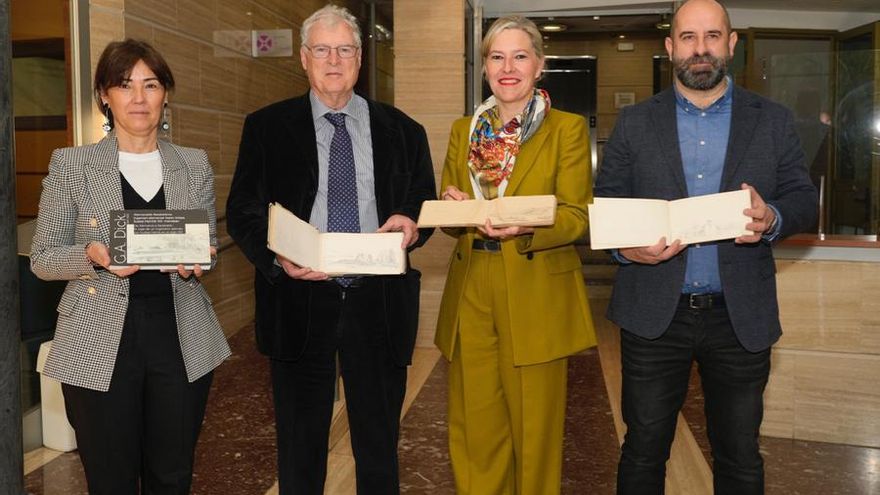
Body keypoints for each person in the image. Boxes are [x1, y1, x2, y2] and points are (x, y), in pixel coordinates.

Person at [593, 1, 818, 493]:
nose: (701, 49)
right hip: (654, 313)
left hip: (739, 317)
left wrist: (772, 217)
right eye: (689, 38)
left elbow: (804, 199)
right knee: (643, 448)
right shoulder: (634, 123)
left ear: (731, 45)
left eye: (713, 36)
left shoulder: (773, 120)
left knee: (739, 453)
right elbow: (606, 205)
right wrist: (625, 250)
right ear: (671, 46)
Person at [225, 5, 435, 494]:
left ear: (360, 59)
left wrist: (412, 224)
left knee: (379, 448)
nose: (334, 60)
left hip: (377, 304)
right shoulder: (266, 128)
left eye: (344, 49)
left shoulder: (405, 131)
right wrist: (277, 256)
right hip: (298, 302)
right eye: (322, 49)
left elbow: (420, 203)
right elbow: (243, 210)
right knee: (299, 449)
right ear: (303, 58)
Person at [30, 38, 230, 494]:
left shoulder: (193, 164)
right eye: (124, 86)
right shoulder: (72, 164)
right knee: (110, 477)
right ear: (104, 94)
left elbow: (208, 245)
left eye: (151, 84)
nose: (139, 98)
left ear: (166, 93)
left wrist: (199, 259)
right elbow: (42, 258)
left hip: (179, 333)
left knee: (173, 474)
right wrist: (91, 256)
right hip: (98, 337)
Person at [434, 15, 596, 495]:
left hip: (536, 282)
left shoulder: (565, 130)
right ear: (484, 67)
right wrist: (451, 210)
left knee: (535, 430)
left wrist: (530, 225)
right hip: (472, 285)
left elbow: (577, 216)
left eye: (520, 56)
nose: (508, 67)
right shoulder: (464, 130)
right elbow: (446, 214)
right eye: (497, 57)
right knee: (474, 428)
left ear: (539, 66)